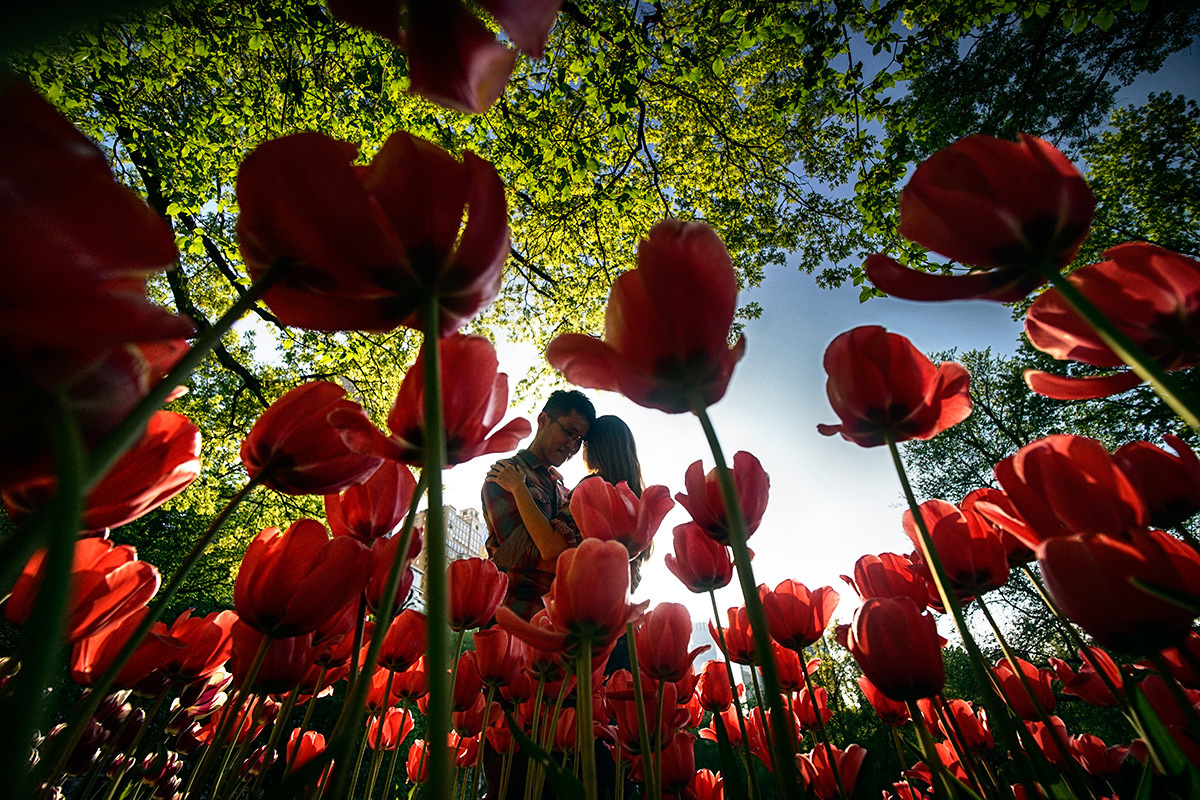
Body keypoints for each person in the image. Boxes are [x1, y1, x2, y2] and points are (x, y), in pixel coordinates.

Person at [482, 389, 596, 621]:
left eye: (579, 441)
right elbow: (522, 554)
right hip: (515, 618)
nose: (571, 447)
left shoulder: (563, 490)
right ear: (543, 420)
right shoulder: (504, 475)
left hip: (560, 624)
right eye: (568, 432)